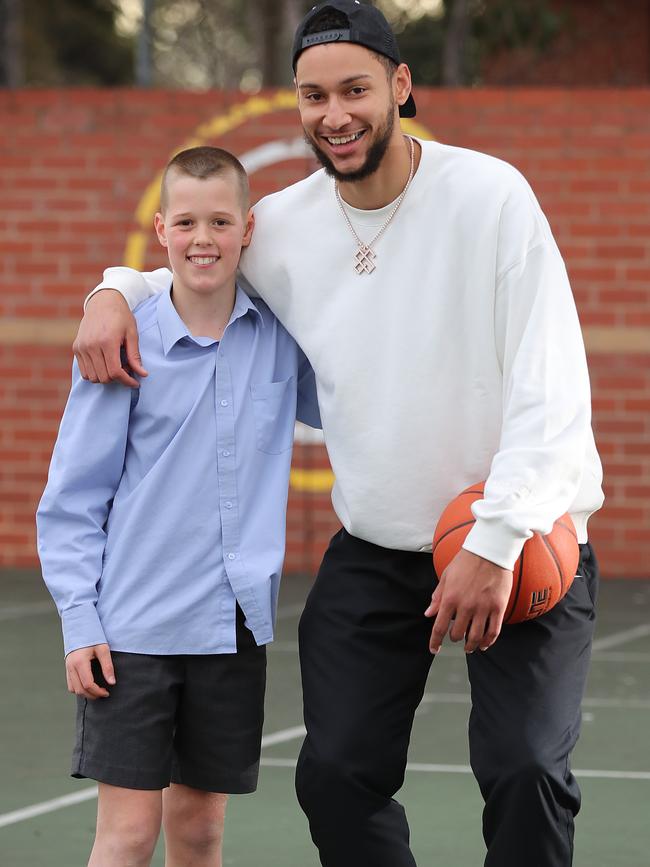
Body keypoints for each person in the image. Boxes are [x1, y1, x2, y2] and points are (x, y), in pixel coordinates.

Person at [71, 2, 604, 866]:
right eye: (313, 95)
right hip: (382, 544)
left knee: (524, 770)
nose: (335, 114)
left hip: (523, 534)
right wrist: (113, 288)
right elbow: (196, 258)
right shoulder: (283, 227)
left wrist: (500, 536)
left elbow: (553, 388)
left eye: (355, 88)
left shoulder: (492, 195)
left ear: (399, 85)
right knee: (335, 776)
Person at [37, 145, 320, 867]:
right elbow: (71, 500)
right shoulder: (121, 346)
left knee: (199, 834)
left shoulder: (281, 343)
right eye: (187, 221)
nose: (204, 238)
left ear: (247, 229)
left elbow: (366, 392)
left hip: (231, 629)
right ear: (161, 228)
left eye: (221, 221)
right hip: (133, 631)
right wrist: (79, 620)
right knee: (129, 835)